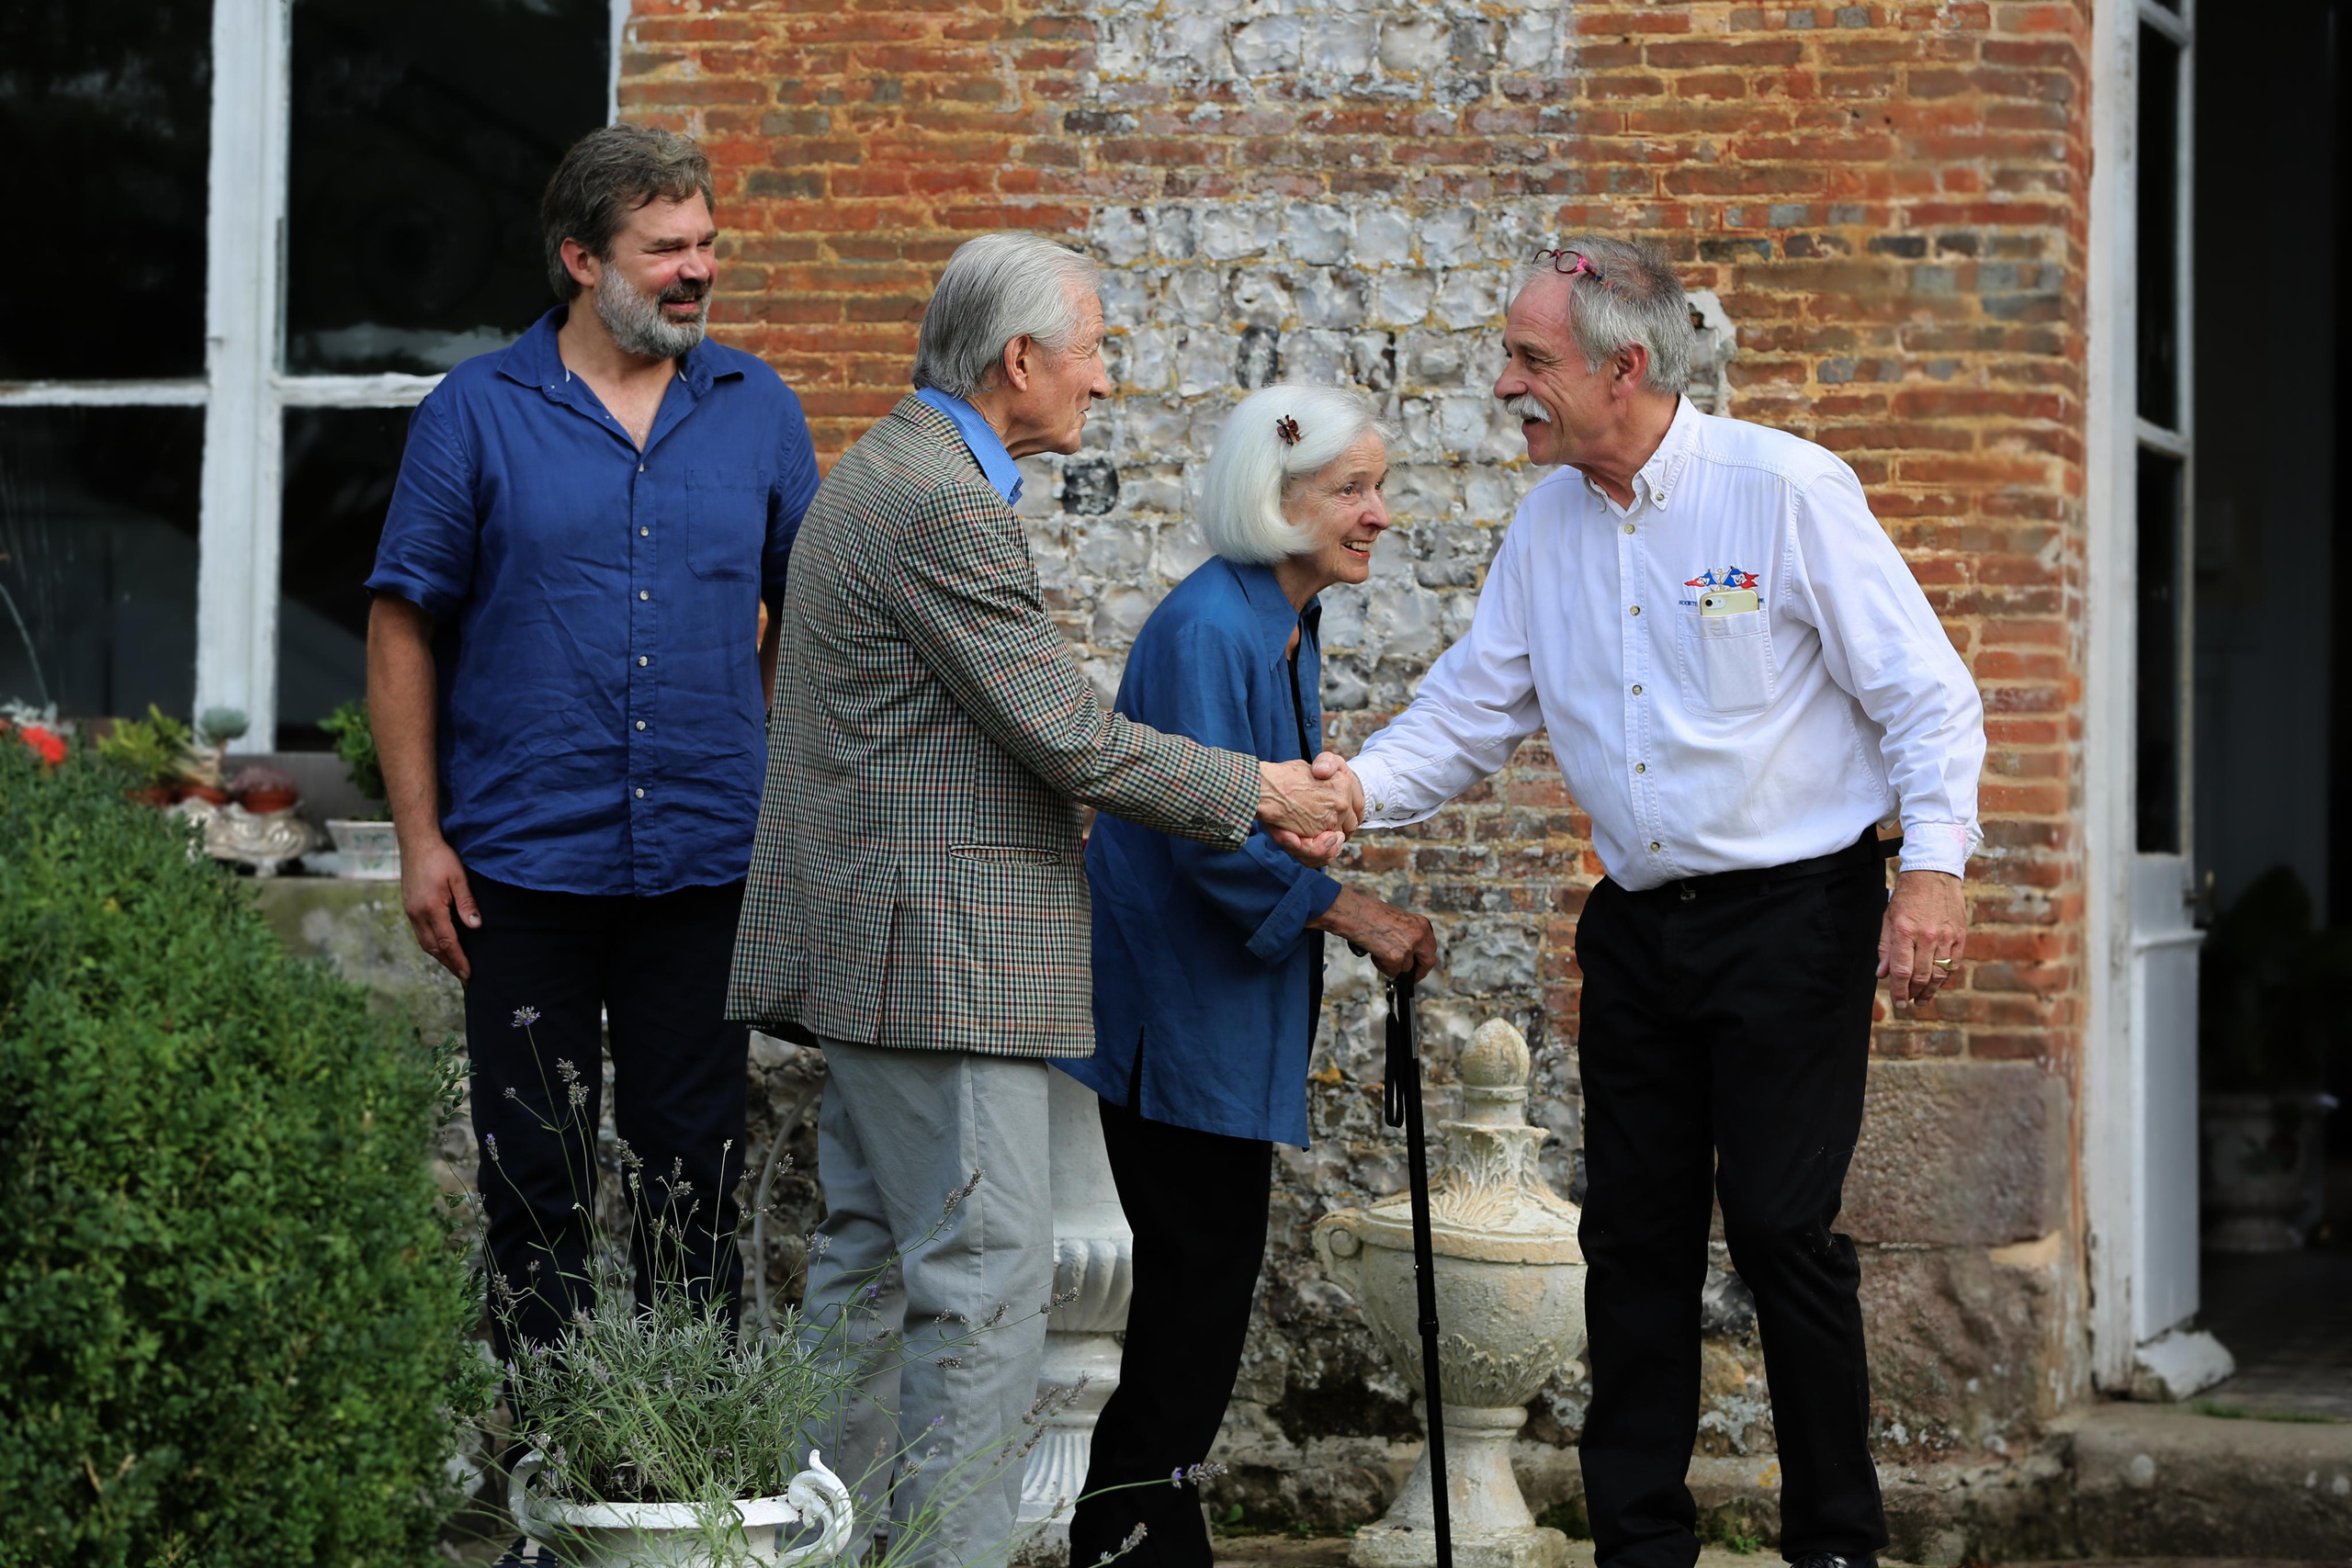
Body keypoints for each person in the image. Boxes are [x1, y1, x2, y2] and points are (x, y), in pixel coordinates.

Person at [1294, 238, 1985, 1568]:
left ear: (1625, 367)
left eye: (1529, 359)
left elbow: (1925, 694)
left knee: (1784, 1231)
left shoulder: (1782, 489)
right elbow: (1472, 709)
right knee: (1634, 1240)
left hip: (1796, 918)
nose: (1505, 385)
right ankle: (1639, 1547)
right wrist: (1354, 793)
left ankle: (1835, 1543)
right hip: (1640, 927)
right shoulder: (1549, 525)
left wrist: (1934, 874)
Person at [725, 234, 1363, 1566]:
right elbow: (1070, 736)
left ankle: (816, 1554)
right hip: (939, 966)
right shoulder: (941, 502)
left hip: (888, 956)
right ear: (1019, 363)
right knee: (983, 1291)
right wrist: (1264, 791)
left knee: (865, 1276)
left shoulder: (895, 472)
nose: (1105, 380)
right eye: (1093, 349)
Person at [367, 126, 819, 1373]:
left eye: (706, 243)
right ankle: (553, 1498)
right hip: (521, 874)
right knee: (537, 1196)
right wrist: (419, 841)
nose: (697, 270)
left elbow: (817, 615)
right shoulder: (475, 414)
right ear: (580, 259)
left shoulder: (758, 408)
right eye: (664, 249)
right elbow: (402, 621)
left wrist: (765, 765)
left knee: (695, 1191)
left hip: (703, 873)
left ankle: (686, 1503)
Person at [1059, 383, 1438, 1568]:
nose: (1379, 513)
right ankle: (1125, 1536)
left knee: (1203, 1291)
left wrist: (1311, 838)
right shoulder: (1211, 629)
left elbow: (1258, 811)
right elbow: (1201, 836)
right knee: (1195, 1293)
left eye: (1378, 486)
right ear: (1277, 504)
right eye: (1352, 491)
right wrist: (1353, 908)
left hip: (1219, 1011)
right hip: (1177, 1018)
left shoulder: (1278, 620)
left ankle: (1152, 1532)